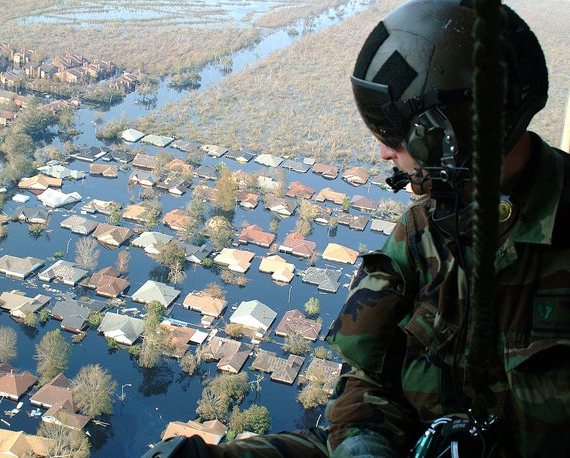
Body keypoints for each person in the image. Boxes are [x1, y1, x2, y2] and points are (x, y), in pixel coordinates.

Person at [142, 1, 570, 456]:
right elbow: (367, 377)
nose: (385, 153)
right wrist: (365, 444)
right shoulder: (424, 228)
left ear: (446, 136)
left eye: (394, 134)